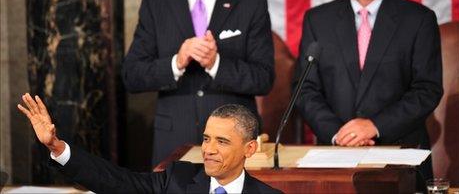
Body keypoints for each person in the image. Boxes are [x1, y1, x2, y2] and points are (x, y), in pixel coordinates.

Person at [295, 0, 443, 183]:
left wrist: (374, 125)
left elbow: (427, 90)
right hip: (336, 155)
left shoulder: (418, 20)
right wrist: (337, 133)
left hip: (400, 156)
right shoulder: (318, 20)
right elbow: (304, 90)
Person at [122, 0, 274, 166]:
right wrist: (176, 62)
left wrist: (216, 64)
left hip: (232, 141)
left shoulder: (251, 4)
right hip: (173, 140)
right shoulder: (156, 4)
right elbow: (132, 76)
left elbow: (263, 79)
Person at [18, 93, 282, 194]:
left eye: (222, 142)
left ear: (250, 148)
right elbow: (115, 181)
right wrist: (57, 147)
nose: (209, 149)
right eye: (206, 138)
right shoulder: (178, 179)